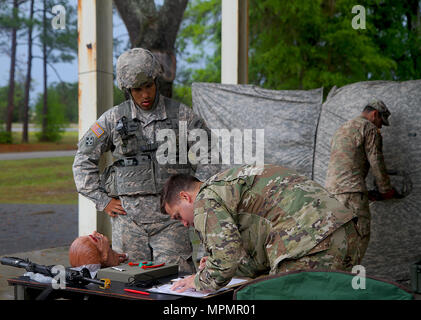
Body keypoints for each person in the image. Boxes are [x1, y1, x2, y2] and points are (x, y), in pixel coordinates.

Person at [73, 48, 219, 273]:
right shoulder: (113, 119)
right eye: (137, 90)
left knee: (176, 281)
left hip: (171, 221)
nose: (145, 95)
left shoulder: (182, 115)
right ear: (127, 89)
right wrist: (102, 200)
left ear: (156, 81)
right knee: (131, 282)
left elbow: (209, 157)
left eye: (148, 86)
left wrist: (195, 199)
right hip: (129, 224)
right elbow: (83, 160)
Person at [160, 164, 361, 292]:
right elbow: (253, 256)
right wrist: (216, 262)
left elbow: (224, 262)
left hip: (309, 243)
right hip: (344, 231)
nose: (185, 224)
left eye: (178, 216)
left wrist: (198, 280)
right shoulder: (229, 185)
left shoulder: (205, 199)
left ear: (185, 197)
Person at [325, 99, 399, 259]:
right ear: (374, 114)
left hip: (331, 193)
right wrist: (386, 190)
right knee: (359, 238)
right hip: (353, 192)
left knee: (336, 242)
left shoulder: (341, 129)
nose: (380, 126)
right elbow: (376, 162)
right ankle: (348, 278)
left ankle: (332, 278)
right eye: (381, 121)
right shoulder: (369, 128)